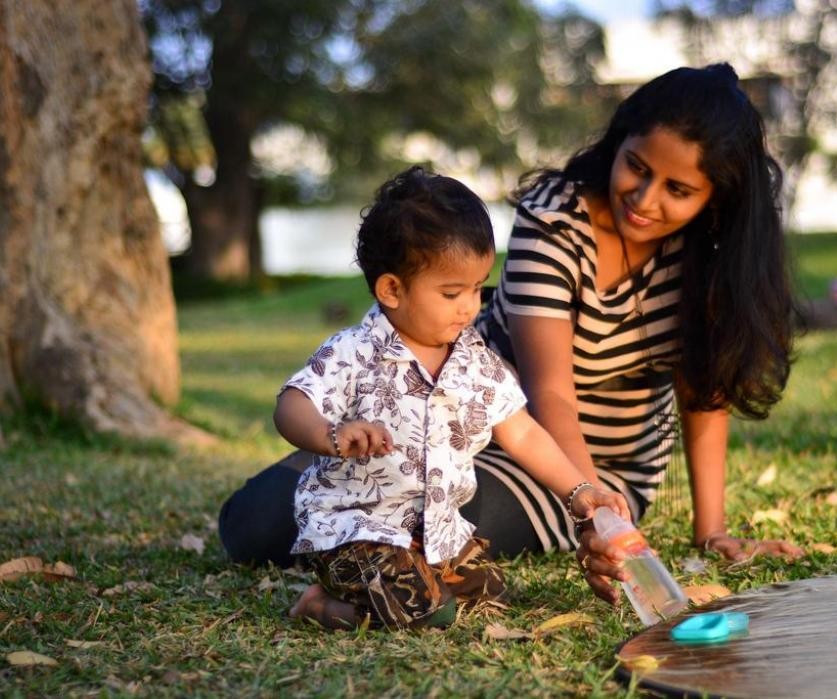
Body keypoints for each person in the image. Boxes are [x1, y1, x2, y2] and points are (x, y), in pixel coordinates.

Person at [218, 63, 803, 609]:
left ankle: (359, 593)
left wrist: (651, 521)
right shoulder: (556, 218)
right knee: (256, 520)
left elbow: (707, 389)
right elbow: (551, 388)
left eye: (678, 190)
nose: (645, 200)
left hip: (582, 471)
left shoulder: (711, 252)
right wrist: (334, 435)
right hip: (456, 430)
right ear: (619, 142)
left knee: (422, 525)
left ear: (714, 197)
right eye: (639, 168)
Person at [274, 166, 628, 630]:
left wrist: (579, 491)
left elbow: (521, 431)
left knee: (491, 599)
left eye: (478, 288)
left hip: (437, 536)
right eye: (451, 292)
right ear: (392, 289)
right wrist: (330, 434)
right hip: (357, 532)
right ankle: (322, 605)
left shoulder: (473, 359)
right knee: (426, 612)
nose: (469, 307)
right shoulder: (353, 352)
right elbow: (291, 405)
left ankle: (405, 587)